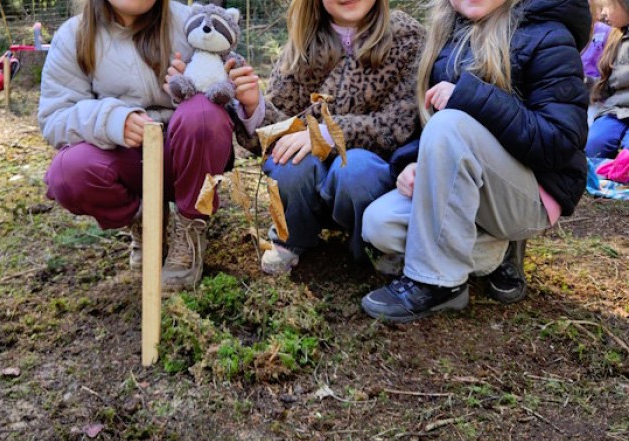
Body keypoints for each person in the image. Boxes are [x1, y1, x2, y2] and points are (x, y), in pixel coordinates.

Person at [361, 0, 590, 322]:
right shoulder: (447, 33)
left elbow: (558, 142)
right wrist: (413, 163)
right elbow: (429, 128)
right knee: (379, 224)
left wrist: (471, 97)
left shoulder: (549, 36)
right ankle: (494, 251)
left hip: (528, 196)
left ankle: (438, 282)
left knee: (451, 123)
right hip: (468, 185)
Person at [38, 0, 259, 293]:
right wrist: (111, 120)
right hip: (126, 160)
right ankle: (145, 221)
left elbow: (227, 101)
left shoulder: (195, 22)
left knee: (203, 114)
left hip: (186, 156)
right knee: (69, 172)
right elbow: (55, 117)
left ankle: (190, 228)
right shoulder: (73, 36)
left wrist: (206, 93)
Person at [230, 0, 425, 276]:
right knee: (288, 161)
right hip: (311, 180)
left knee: (355, 169)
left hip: (370, 182)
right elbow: (275, 132)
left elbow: (401, 122)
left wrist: (329, 134)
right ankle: (293, 235)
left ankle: (374, 244)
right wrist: (254, 107)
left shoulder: (407, 38)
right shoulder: (302, 45)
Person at [585, 0, 629, 159]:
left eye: (606, 6)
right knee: (595, 143)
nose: (602, 13)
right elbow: (606, 80)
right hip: (614, 109)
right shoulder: (615, 37)